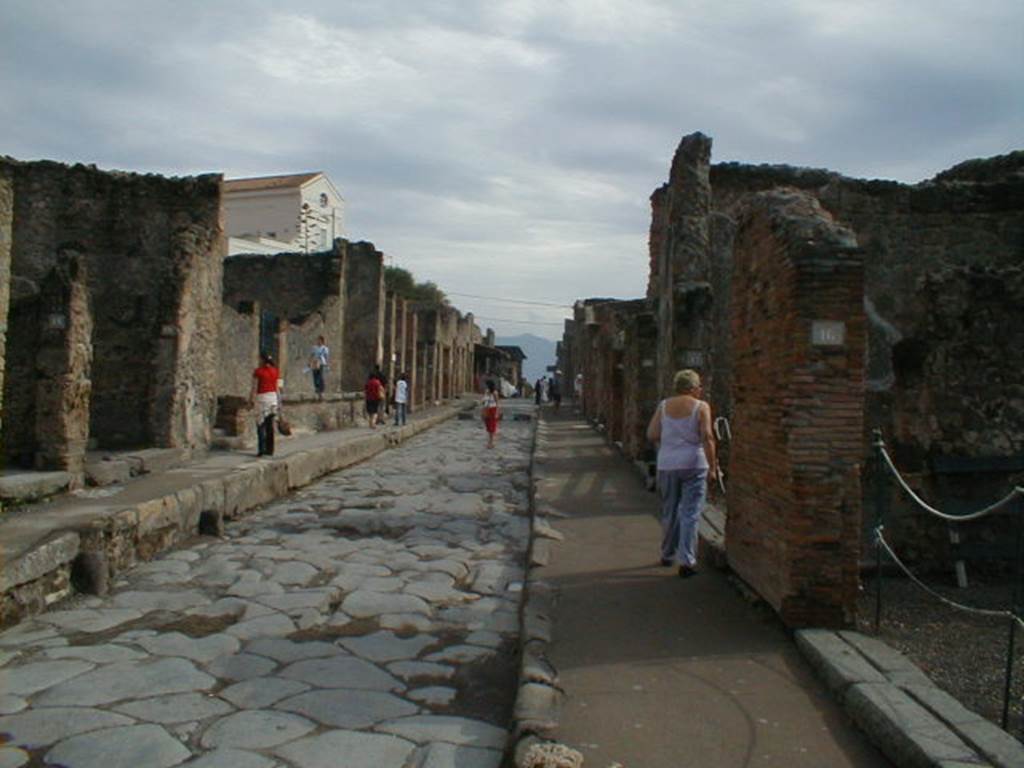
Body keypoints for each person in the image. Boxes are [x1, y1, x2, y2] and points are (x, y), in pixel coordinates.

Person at [646, 369, 718, 578]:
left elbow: (652, 433)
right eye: (699, 386)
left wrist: (670, 440)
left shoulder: (664, 406)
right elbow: (708, 437)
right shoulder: (701, 406)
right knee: (690, 513)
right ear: (693, 388)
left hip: (668, 464)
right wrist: (713, 467)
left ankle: (667, 554)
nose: (700, 390)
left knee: (670, 510)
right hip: (694, 464)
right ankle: (686, 560)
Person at [250, 353, 281, 457]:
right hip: (273, 399)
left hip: (262, 399)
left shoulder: (258, 372)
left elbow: (254, 387)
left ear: (262, 360)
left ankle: (261, 449)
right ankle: (270, 449)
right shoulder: (275, 371)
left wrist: (251, 399)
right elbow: (277, 388)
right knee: (269, 425)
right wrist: (279, 401)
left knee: (260, 424)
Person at [481, 379, 500, 449]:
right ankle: (489, 442)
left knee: (492, 427)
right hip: (486, 409)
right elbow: (483, 401)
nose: (485, 386)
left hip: (492, 410)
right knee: (488, 426)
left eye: (486, 385)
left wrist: (497, 412)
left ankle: (491, 443)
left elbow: (497, 403)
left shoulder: (495, 392)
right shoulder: (486, 392)